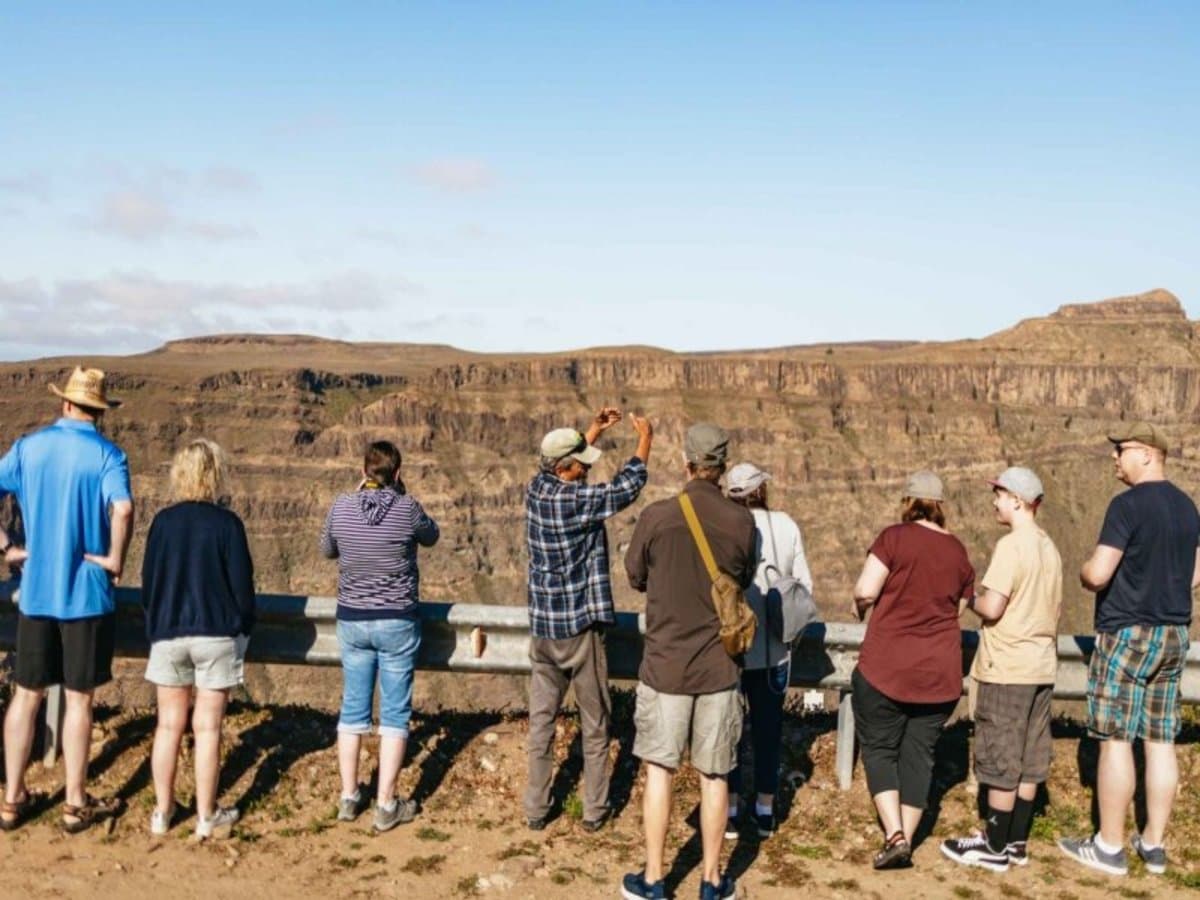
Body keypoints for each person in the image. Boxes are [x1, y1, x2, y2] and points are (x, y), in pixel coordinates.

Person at [622, 423, 757, 900]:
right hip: (719, 668)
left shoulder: (657, 517)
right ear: (722, 467)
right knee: (714, 776)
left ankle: (654, 879)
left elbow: (635, 575)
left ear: (686, 464)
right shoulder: (742, 522)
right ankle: (712, 880)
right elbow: (744, 577)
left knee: (660, 771)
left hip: (665, 667)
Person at [1059, 423, 1199, 877]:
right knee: (1160, 740)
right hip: (1174, 633)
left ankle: (1109, 846)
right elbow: (1195, 576)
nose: (1115, 458)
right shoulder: (1187, 507)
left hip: (1127, 633)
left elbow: (1099, 574)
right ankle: (1153, 845)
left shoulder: (1127, 505)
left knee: (1116, 738)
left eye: (1121, 450)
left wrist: (1083, 571)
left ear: (1146, 453)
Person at [0, 367, 133, 833]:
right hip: (87, 596)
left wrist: (6, 547)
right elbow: (123, 509)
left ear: (65, 403)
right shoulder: (108, 455)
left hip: (36, 590)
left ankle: (11, 799)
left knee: (26, 695)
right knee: (79, 701)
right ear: (98, 410)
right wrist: (115, 559)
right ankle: (74, 804)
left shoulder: (28, 448)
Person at [524, 407, 653, 832]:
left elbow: (565, 463)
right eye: (581, 465)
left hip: (543, 628)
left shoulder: (536, 488)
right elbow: (625, 488)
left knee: (542, 721)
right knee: (595, 723)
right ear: (565, 469)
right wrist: (644, 441)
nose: (587, 470)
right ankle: (595, 810)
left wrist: (592, 431)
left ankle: (536, 808)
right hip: (579, 629)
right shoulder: (575, 501)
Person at [851, 470, 974, 869]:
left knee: (879, 748)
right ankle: (906, 836)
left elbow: (866, 589)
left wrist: (859, 606)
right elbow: (958, 609)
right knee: (920, 756)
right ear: (940, 506)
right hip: (939, 674)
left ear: (908, 502)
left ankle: (895, 836)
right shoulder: (957, 551)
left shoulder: (893, 538)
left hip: (886, 668)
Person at [942, 467, 1062, 871]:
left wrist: (967, 596)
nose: (994, 501)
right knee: (1030, 757)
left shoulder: (1012, 546)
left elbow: (993, 607)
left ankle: (992, 845)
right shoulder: (1050, 548)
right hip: (1041, 665)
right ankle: (1016, 842)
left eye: (999, 494)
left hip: (1007, 665)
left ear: (1017, 500)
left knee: (1001, 758)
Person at [320, 440, 439, 832]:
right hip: (397, 622)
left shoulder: (341, 506)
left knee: (353, 709)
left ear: (363, 472)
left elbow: (327, 550)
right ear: (398, 473)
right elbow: (431, 536)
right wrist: (401, 498)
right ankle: (386, 804)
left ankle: (348, 796)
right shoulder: (407, 508)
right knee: (394, 714)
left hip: (353, 620)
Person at [140, 439, 256, 839]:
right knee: (207, 728)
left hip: (169, 632)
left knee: (168, 725)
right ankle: (207, 816)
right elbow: (242, 587)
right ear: (215, 474)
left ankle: (162, 812)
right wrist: (244, 627)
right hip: (216, 634)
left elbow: (149, 582)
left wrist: (155, 624)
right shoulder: (227, 525)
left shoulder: (162, 523)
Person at [723, 462, 813, 839]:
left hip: (730, 650)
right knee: (768, 730)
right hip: (774, 651)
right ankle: (764, 809)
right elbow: (803, 587)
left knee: (727, 730)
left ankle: (728, 810)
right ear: (762, 490)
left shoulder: (723, 526)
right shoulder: (786, 526)